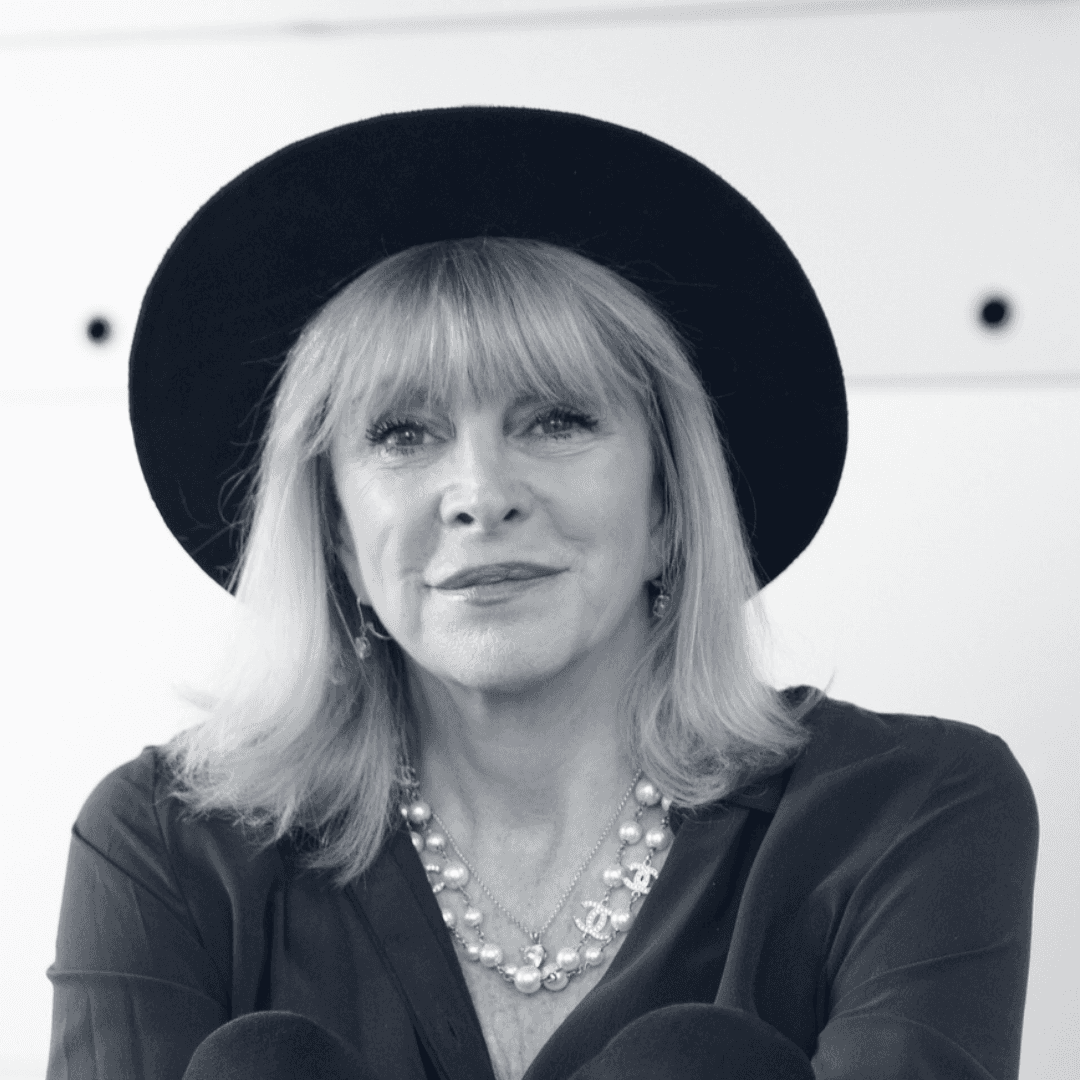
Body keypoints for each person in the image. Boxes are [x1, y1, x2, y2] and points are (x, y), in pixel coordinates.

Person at [46, 108, 1037, 1080]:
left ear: (668, 505)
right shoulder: (167, 848)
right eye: (402, 434)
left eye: (557, 420)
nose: (481, 496)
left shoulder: (906, 809)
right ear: (337, 534)